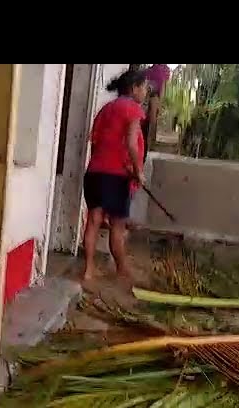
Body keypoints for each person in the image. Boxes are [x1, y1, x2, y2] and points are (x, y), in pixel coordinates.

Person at [82, 69, 148, 283]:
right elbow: (130, 143)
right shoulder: (133, 109)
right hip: (118, 175)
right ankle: (122, 270)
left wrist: (99, 165)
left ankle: (88, 270)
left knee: (93, 221)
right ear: (135, 88)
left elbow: (95, 144)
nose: (146, 92)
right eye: (144, 87)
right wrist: (138, 171)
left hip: (95, 172)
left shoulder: (106, 109)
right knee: (117, 226)